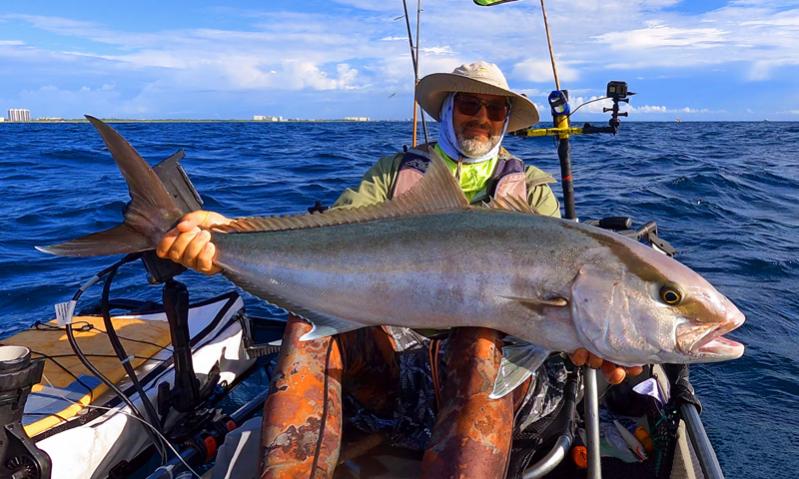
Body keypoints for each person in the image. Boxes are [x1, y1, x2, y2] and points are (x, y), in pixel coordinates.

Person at [157, 61, 642, 478]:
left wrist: (588, 334)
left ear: (506, 123)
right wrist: (227, 234)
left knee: (479, 338)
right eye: (470, 105)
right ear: (447, 110)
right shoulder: (395, 173)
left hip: (489, 377)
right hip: (392, 366)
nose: (483, 118)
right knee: (309, 321)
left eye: (496, 110)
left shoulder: (531, 189)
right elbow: (326, 234)